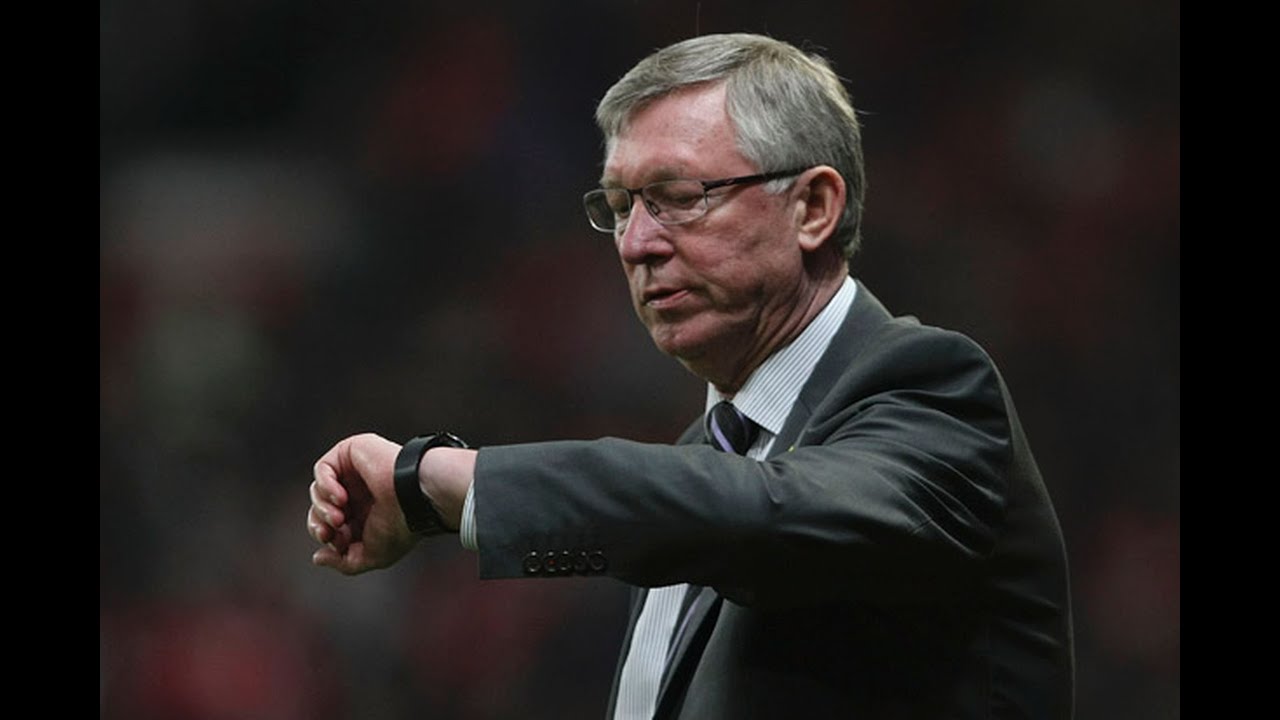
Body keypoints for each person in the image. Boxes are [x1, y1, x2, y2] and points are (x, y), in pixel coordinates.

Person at [306, 33, 1074, 719]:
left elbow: (762, 516)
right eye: (620, 206)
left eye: (678, 198)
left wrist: (445, 485)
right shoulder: (698, 467)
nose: (636, 243)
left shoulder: (934, 390)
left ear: (812, 207)